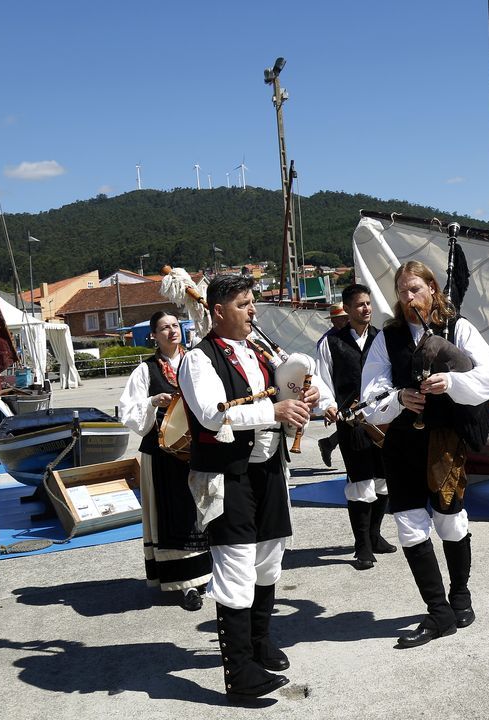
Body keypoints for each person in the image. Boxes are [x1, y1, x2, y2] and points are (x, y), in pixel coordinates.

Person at [178, 273, 329, 701]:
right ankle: (238, 672)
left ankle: (260, 642)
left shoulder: (259, 353)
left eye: (252, 303)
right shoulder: (199, 359)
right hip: (227, 475)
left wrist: (303, 396)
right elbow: (211, 415)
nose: (253, 312)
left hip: (267, 470)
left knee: (269, 560)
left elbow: (285, 389)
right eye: (244, 304)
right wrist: (274, 409)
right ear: (219, 311)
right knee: (236, 566)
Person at [361, 260, 489, 648]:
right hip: (402, 441)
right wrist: (398, 398)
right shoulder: (386, 338)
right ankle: (438, 613)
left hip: (445, 439)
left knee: (450, 521)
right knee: (408, 524)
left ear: (432, 289)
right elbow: (369, 398)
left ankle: (460, 595)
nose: (408, 298)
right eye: (402, 291)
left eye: (415, 289)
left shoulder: (458, 328)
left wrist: (452, 381)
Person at [117, 311, 212, 611]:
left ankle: (211, 576)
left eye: (175, 326)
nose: (172, 331)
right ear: (153, 336)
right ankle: (185, 585)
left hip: (199, 448)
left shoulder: (196, 361)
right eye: (164, 328)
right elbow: (127, 411)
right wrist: (150, 402)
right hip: (162, 454)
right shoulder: (145, 371)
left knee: (205, 510)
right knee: (175, 516)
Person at [317, 284, 396, 571]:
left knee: (383, 481)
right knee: (361, 483)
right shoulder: (331, 343)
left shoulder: (382, 339)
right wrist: (327, 404)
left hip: (384, 421)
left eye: (368, 303)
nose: (366, 309)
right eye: (360, 305)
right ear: (347, 309)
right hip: (351, 424)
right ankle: (361, 546)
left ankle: (374, 536)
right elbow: (322, 381)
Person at [317, 303, 350, 466]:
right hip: (341, 393)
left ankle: (329, 443)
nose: (346, 321)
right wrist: (328, 403)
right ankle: (329, 443)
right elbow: (323, 375)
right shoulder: (326, 342)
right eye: (341, 319)